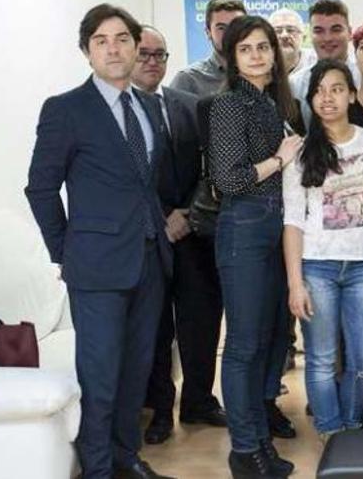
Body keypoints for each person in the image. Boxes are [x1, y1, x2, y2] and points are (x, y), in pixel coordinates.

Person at [26, 3, 175, 479]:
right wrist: (65, 251)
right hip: (96, 265)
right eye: (101, 41)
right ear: (87, 52)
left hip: (150, 259)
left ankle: (125, 457)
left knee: (136, 372)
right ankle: (97, 468)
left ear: (136, 47)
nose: (113, 49)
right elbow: (41, 188)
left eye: (122, 39)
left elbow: (145, 183)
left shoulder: (148, 105)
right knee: (102, 374)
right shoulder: (66, 109)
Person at [207, 14, 305, 478]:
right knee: (245, 345)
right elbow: (228, 179)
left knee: (270, 342)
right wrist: (279, 160)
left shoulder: (277, 102)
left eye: (263, 46)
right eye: (245, 48)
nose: (257, 55)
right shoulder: (228, 104)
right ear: (232, 56)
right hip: (245, 228)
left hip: (280, 227)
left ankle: (259, 442)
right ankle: (244, 449)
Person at [133, 25, 228, 446]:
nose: (153, 62)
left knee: (201, 322)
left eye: (161, 54)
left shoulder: (191, 105)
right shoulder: (118, 110)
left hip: (195, 232)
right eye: (145, 54)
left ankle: (199, 400)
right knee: (155, 327)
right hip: (148, 237)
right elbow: (126, 178)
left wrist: (188, 212)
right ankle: (159, 409)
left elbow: (213, 168)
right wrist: (162, 216)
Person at [283, 59, 363, 442]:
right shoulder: (302, 152)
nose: (328, 98)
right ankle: (329, 429)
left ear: (352, 95)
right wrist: (295, 283)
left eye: (337, 89)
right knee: (322, 358)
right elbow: (292, 221)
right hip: (316, 268)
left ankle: (353, 424)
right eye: (319, 91)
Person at [293, 0, 361, 124]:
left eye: (336, 30)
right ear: (310, 34)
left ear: (350, 33)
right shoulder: (295, 84)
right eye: (319, 31)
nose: (328, 38)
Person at [172, 0, 246, 98]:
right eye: (221, 28)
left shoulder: (262, 75)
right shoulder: (189, 80)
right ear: (208, 33)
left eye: (236, 26)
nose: (230, 33)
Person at [269, 8, 316, 77]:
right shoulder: (259, 63)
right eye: (278, 31)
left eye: (291, 30)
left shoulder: (315, 61)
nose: (284, 35)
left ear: (303, 37)